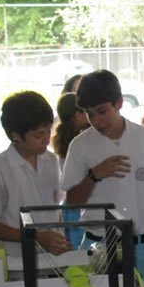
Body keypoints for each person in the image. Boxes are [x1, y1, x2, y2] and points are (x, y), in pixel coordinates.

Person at [62, 70, 144, 287]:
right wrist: (94, 175)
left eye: (102, 111)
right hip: (97, 246)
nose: (97, 121)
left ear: (118, 103)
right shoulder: (80, 146)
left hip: (141, 246)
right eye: (89, 114)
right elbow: (71, 202)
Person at [0, 91, 70, 257]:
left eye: (48, 131)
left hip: (54, 257)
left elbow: (55, 207)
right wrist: (35, 236)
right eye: (38, 135)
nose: (46, 139)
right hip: (17, 260)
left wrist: (59, 238)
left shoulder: (51, 160)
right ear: (16, 136)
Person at [51, 92, 90, 246]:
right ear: (78, 115)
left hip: (68, 205)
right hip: (80, 204)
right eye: (86, 111)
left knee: (73, 250)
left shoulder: (61, 139)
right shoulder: (80, 142)